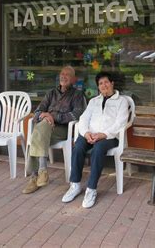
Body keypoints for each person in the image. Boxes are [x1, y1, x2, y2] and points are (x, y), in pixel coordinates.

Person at [61, 71, 129, 208]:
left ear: (112, 83)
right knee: (78, 146)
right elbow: (83, 119)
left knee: (98, 149)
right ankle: (75, 185)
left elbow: (121, 123)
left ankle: (91, 189)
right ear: (98, 87)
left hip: (110, 137)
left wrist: (103, 134)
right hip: (90, 135)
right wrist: (86, 133)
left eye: (106, 82)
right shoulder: (93, 101)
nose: (103, 85)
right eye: (100, 83)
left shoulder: (121, 101)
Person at [22, 66, 86, 194]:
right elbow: (37, 112)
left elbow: (76, 115)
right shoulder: (51, 93)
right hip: (45, 129)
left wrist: (52, 116)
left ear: (73, 79)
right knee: (41, 127)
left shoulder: (77, 95)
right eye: (62, 74)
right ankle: (41, 173)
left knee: (37, 131)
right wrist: (44, 116)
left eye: (67, 74)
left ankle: (35, 175)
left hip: (62, 130)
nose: (63, 76)